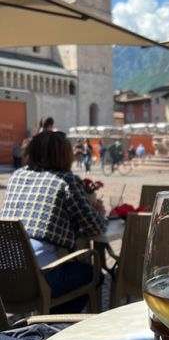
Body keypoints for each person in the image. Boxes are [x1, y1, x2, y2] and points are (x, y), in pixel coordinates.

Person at [0, 131, 106, 313]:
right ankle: (54, 320)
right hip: (41, 280)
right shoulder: (65, 181)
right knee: (94, 274)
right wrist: (99, 212)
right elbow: (94, 227)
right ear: (65, 155)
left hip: (7, 277)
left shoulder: (17, 176)